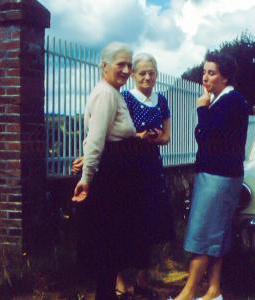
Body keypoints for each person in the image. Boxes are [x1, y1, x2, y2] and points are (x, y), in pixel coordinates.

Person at [72, 44, 173, 299]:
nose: (127, 70)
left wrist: (89, 160)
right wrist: (86, 178)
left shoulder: (111, 92)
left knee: (113, 244)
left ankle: (108, 292)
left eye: (129, 65)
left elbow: (100, 138)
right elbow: (96, 139)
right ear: (104, 66)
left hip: (118, 173)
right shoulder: (107, 94)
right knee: (108, 244)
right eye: (121, 64)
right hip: (112, 177)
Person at [173, 51, 249, 300]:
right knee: (217, 234)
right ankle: (214, 291)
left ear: (225, 77)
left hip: (218, 177)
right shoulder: (222, 100)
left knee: (203, 233)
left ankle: (189, 292)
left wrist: (201, 109)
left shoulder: (231, 101)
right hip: (221, 175)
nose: (204, 77)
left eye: (211, 72)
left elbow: (208, 137)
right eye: (204, 72)